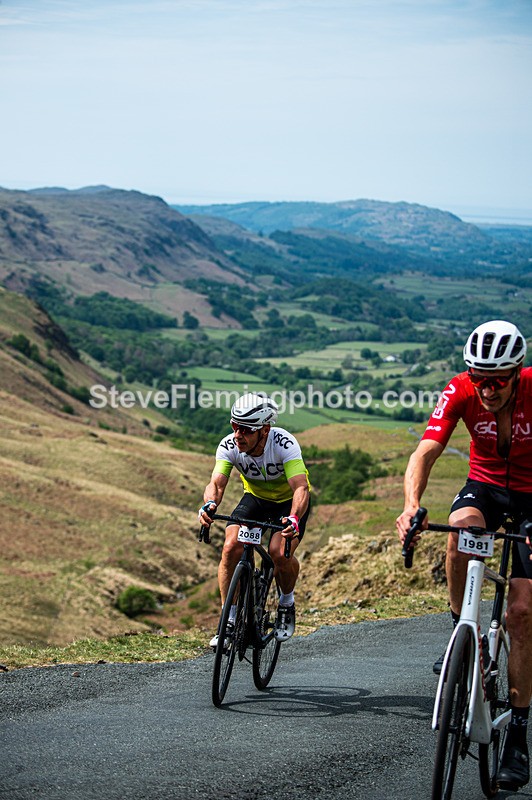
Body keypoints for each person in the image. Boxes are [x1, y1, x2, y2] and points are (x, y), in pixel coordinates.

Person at [396, 319, 532, 792]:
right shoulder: (461, 390)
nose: (487, 389)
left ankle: (518, 731)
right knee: (458, 534)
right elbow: (426, 451)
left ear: (517, 372)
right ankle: (461, 628)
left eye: (497, 380)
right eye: (479, 377)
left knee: (520, 611)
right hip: (487, 487)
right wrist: (412, 506)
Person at [199, 392, 311, 648]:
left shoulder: (284, 443)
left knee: (277, 553)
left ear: (264, 430)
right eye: (235, 427)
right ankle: (229, 620)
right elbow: (216, 483)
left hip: (287, 503)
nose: (238, 435)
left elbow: (300, 488)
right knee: (230, 548)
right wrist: (210, 504)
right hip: (256, 499)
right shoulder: (229, 446)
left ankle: (286, 603)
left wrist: (293, 518)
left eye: (246, 430)